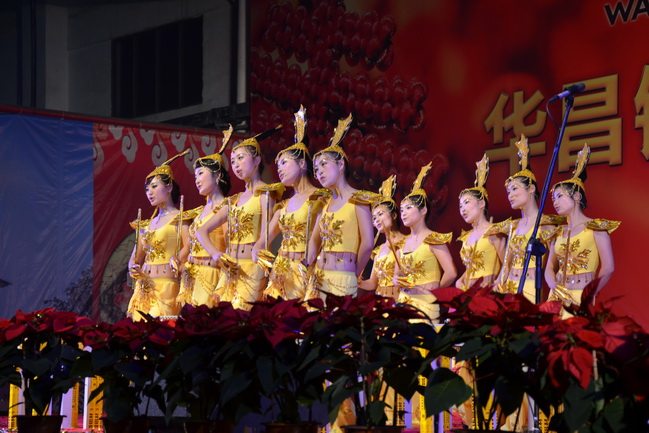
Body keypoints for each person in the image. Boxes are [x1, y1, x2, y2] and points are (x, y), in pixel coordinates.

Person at [195, 125, 283, 310]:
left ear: (257, 160)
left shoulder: (266, 193)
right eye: (233, 161)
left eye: (241, 158)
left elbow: (267, 236)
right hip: (230, 268)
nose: (235, 165)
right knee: (225, 318)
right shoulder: (233, 200)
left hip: (252, 267)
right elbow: (202, 231)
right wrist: (216, 253)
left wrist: (261, 256)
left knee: (243, 316)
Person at [252, 106, 328, 301]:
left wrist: (308, 263)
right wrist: (257, 250)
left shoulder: (319, 198)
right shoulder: (283, 206)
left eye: (284, 163)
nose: (279, 170)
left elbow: (319, 240)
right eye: (278, 166)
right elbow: (264, 238)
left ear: (302, 164)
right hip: (281, 271)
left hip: (306, 269)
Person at [305, 114, 376, 301]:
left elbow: (368, 243)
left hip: (343, 278)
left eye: (324, 164)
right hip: (318, 276)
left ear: (341, 164)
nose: (319, 172)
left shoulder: (358, 199)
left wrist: (354, 272)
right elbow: (314, 241)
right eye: (316, 169)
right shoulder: (324, 203)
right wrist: (306, 263)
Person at [544, 144, 619, 312]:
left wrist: (590, 292)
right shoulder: (558, 232)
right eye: (553, 198)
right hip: (556, 296)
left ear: (577, 196)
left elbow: (608, 267)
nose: (555, 202)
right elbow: (549, 267)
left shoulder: (595, 228)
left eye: (560, 196)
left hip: (580, 295)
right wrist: (553, 285)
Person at [491, 134, 563, 302]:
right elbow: (506, 265)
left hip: (531, 289)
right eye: (508, 191)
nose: (510, 195)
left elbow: (555, 265)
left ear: (531, 189)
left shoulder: (546, 224)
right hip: (509, 288)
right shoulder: (514, 226)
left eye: (515, 189)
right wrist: (495, 290)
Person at [127, 149, 190, 320]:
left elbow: (190, 245)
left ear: (169, 187)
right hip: (144, 288)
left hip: (167, 287)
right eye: (147, 189)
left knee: (159, 329)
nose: (150, 192)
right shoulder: (146, 225)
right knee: (138, 330)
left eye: (154, 186)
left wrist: (179, 257)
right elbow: (136, 257)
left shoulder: (181, 218)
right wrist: (132, 267)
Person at [176, 126, 233, 307]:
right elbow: (192, 245)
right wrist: (179, 258)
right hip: (193, 277)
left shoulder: (226, 207)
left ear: (217, 175)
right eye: (195, 176)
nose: (197, 180)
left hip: (212, 276)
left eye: (201, 174)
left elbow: (229, 246)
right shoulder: (200, 211)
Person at [395, 162, 457, 322]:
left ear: (423, 210)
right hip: (404, 303)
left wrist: (435, 291)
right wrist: (397, 280)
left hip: (425, 305)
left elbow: (451, 272)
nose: (403, 213)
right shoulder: (401, 243)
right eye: (401, 210)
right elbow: (397, 275)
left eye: (408, 208)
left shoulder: (433, 239)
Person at [456, 154, 505, 290]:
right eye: (460, 206)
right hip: (467, 291)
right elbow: (471, 269)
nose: (463, 209)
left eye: (467, 202)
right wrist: (460, 280)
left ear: (482, 203)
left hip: (487, 291)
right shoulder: (466, 237)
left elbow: (507, 263)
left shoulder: (493, 232)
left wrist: (497, 283)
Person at [358, 175, 405, 300]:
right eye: (374, 218)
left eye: (380, 214)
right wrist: (359, 282)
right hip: (381, 300)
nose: (377, 220)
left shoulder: (407, 242)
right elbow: (373, 283)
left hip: (399, 297)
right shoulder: (378, 250)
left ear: (394, 215)